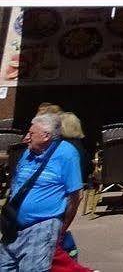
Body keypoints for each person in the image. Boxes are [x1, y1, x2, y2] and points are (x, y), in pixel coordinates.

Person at [0, 111, 84, 272]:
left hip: (41, 227)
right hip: (13, 226)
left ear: (46, 136)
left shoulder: (66, 153)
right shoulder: (28, 152)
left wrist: (61, 227)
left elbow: (76, 196)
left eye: (31, 133)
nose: (26, 137)